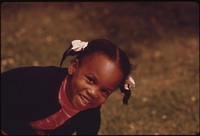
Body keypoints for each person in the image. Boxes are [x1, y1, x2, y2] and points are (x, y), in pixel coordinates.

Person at [1, 39, 135, 135]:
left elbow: (88, 131)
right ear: (74, 67)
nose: (94, 93)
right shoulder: (40, 84)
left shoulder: (90, 110)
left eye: (104, 91)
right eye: (90, 79)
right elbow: (9, 116)